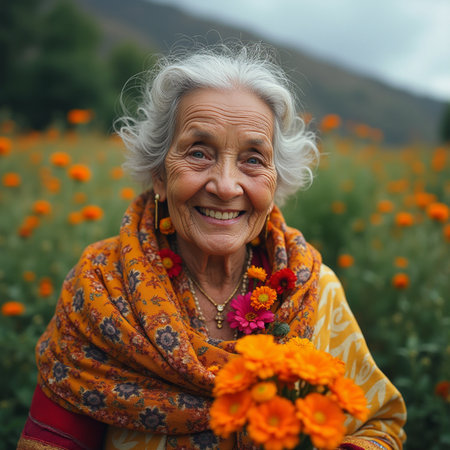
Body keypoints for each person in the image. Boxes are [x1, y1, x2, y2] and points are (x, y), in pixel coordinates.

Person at [18, 43, 406, 450]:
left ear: (276, 182)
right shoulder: (100, 287)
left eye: (253, 159)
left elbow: (378, 424)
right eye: (199, 153)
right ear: (160, 175)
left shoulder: (314, 290)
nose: (224, 185)